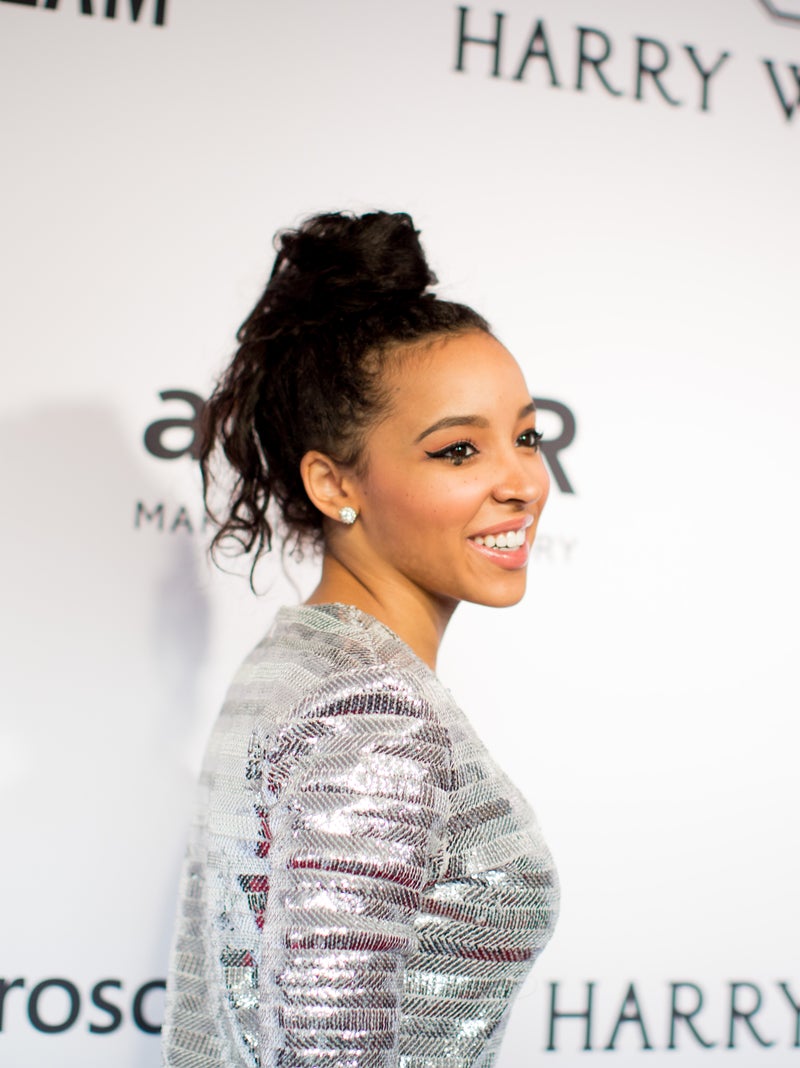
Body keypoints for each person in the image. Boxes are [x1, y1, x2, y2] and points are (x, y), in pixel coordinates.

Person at [161, 210, 559, 1067]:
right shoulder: (373, 714)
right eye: (459, 451)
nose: (523, 482)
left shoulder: (296, 663)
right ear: (334, 483)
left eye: (527, 437)